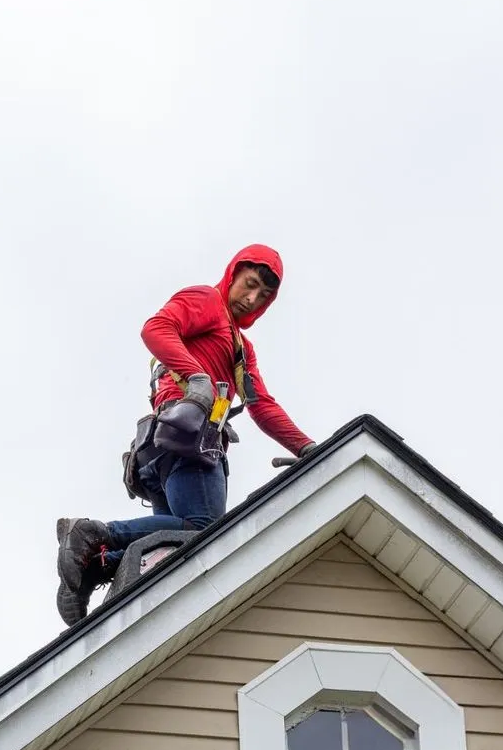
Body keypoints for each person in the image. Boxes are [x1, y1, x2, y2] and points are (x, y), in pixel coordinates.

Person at [56, 244, 316, 624]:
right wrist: (197, 377)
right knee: (203, 529)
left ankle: (95, 564)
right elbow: (156, 328)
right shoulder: (207, 300)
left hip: (165, 450)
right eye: (249, 284)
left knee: (172, 551)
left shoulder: (242, 348)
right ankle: (95, 534)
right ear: (233, 273)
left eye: (263, 295)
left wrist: (306, 447)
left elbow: (261, 405)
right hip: (190, 442)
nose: (252, 298)